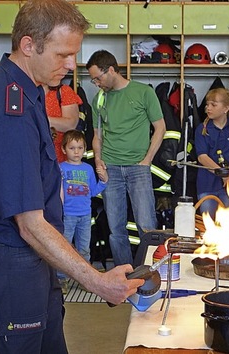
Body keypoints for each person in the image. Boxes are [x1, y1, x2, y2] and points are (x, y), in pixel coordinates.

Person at [0, 1, 143, 352]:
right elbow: (28, 223)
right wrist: (97, 281)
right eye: (62, 54)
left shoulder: (27, 91)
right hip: (10, 262)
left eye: (74, 55)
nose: (72, 65)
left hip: (31, 260)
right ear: (29, 46)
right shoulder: (6, 106)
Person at [86, 49, 165, 266]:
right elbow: (97, 136)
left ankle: (150, 272)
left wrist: (147, 160)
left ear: (111, 70)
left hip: (138, 168)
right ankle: (124, 275)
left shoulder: (143, 93)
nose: (96, 83)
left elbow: (160, 128)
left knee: (147, 225)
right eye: (93, 79)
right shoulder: (99, 99)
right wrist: (98, 161)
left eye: (98, 78)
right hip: (110, 168)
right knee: (116, 228)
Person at [58, 129, 107, 291]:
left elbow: (92, 191)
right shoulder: (60, 168)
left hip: (85, 216)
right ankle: (61, 279)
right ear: (64, 150)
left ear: (85, 149)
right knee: (63, 248)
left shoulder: (88, 169)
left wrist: (104, 181)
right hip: (67, 215)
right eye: (72, 148)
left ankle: (85, 279)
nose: (76, 151)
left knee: (84, 249)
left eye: (80, 147)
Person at [195, 87, 229, 218]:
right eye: (207, 105)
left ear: (225, 108)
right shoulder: (202, 129)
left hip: (228, 186)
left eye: (213, 105)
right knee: (208, 225)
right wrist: (222, 174)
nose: (208, 108)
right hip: (207, 185)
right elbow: (202, 157)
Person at [44, 83, 83, 162]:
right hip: (32, 150)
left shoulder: (63, 91)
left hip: (59, 153)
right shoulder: (24, 90)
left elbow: (70, 124)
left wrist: (41, 120)